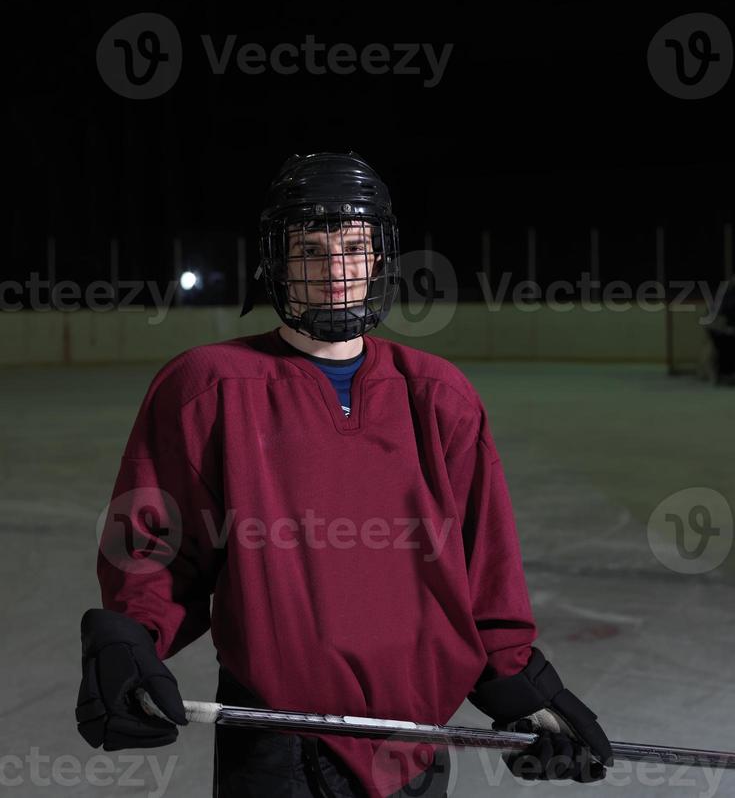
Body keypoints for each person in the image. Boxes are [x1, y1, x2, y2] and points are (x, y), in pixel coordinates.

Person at [75, 151, 613, 798]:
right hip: (277, 743)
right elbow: (157, 545)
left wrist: (523, 688)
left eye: (354, 248)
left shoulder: (439, 395)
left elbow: (483, 568)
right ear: (276, 261)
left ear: (380, 258)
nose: (335, 271)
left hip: (414, 745)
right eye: (310, 249)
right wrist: (130, 636)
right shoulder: (207, 387)